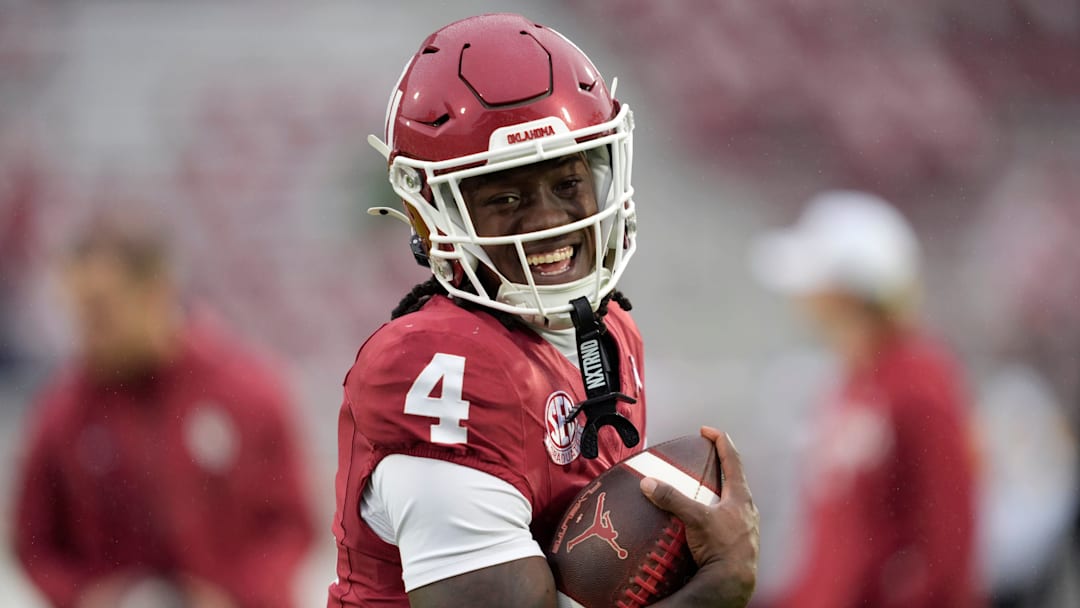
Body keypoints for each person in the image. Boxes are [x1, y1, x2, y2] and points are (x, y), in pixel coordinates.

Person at [329, 13, 759, 608]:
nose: (550, 220)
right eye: (506, 196)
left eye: (567, 184)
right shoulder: (434, 367)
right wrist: (717, 589)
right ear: (435, 217)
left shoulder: (609, 330)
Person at [13, 206, 315, 608]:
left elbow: (290, 526)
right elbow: (35, 542)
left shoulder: (249, 394)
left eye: (100, 310)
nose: (85, 331)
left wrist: (235, 596)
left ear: (157, 293)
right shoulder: (62, 412)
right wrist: (87, 596)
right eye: (76, 312)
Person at [749, 191, 980, 608]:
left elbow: (947, 544)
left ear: (845, 294)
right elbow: (835, 547)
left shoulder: (919, 383)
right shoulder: (855, 380)